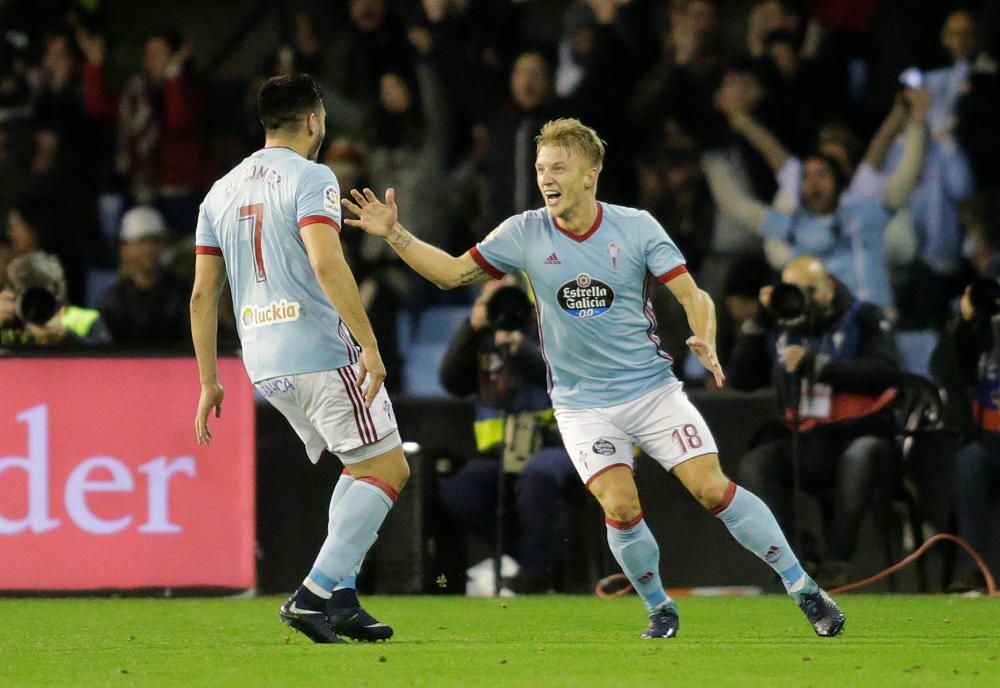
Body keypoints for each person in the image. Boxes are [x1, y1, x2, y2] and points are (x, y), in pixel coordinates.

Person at [342, 117, 844, 638]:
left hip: (651, 392)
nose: (546, 178)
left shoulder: (637, 226)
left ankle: (804, 589)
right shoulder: (524, 232)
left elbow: (694, 295)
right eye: (540, 168)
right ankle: (659, 609)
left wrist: (705, 335)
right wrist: (394, 233)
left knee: (711, 489)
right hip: (583, 406)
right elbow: (449, 273)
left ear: (591, 174)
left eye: (558, 167)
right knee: (621, 505)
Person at [190, 74, 408, 644]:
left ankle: (342, 599)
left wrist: (209, 381)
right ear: (314, 120)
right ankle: (311, 597)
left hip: (264, 363)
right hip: (320, 350)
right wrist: (369, 344)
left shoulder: (220, 190)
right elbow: (326, 262)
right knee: (388, 469)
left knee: (357, 465)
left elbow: (202, 294)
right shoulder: (313, 177)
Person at [729, 256, 901, 587]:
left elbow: (886, 371)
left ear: (830, 287)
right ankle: (793, 561)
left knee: (860, 456)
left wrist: (820, 366)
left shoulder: (863, 316)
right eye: (795, 291)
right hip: (806, 440)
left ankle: (837, 562)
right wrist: (760, 321)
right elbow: (741, 379)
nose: (804, 299)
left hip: (862, 434)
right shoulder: (782, 322)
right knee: (756, 463)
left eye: (811, 290)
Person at [437, 277, 579, 593]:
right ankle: (532, 563)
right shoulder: (480, 337)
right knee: (462, 489)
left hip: (558, 443)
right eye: (492, 299)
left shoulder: (551, 325)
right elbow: (452, 382)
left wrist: (521, 349)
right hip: (501, 451)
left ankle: (535, 575)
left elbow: (565, 377)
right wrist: (471, 329)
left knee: (537, 476)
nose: (502, 306)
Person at [100, 206, 188, 346]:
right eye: (141, 242)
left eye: (155, 242)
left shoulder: (181, 295)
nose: (149, 250)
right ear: (125, 249)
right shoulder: (114, 301)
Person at [0, 251, 110, 346]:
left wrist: (66, 336)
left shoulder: (87, 320)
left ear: (56, 290)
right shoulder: (10, 321)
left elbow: (108, 360)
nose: (34, 303)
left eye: (40, 295)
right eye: (23, 295)